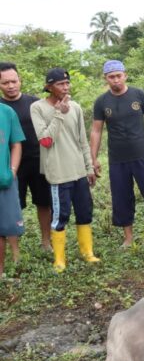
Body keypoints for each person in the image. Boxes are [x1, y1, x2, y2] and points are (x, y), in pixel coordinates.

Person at [30, 68, 99, 272]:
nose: (66, 87)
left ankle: (87, 252)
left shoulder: (76, 107)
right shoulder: (38, 108)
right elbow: (45, 140)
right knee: (61, 216)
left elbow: (82, 141)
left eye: (67, 83)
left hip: (79, 171)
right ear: (49, 87)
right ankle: (59, 259)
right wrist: (59, 114)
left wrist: (89, 167)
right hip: (58, 173)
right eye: (60, 84)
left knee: (85, 213)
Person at [90, 60, 144, 248]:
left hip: (143, 155)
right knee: (121, 197)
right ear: (106, 79)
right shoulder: (102, 102)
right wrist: (93, 159)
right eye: (111, 77)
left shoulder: (138, 94)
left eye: (119, 76)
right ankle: (128, 238)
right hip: (117, 158)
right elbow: (96, 130)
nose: (116, 80)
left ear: (125, 75)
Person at [0, 62, 51, 252]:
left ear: (20, 80)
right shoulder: (1, 108)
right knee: (12, 207)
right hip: (11, 166)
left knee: (44, 203)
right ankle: (14, 250)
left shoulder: (35, 103)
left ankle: (46, 241)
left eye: (14, 81)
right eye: (6, 83)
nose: (11, 86)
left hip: (39, 162)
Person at [0, 102, 24, 277]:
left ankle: (2, 271)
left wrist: (13, 171)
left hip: (4, 178)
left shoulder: (6, 112)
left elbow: (16, 143)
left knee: (6, 225)